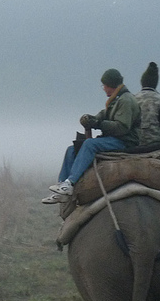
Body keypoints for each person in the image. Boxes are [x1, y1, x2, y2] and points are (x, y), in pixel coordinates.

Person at [42, 69, 141, 204]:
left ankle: (70, 183)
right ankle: (62, 187)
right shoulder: (116, 99)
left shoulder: (126, 101)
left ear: (111, 85)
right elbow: (104, 114)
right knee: (72, 149)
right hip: (114, 139)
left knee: (89, 144)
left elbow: (122, 128)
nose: (104, 88)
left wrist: (99, 124)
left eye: (104, 85)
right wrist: (91, 119)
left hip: (124, 141)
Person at [134, 62, 160, 150]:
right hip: (157, 143)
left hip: (135, 143)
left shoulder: (133, 99)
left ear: (142, 82)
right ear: (155, 83)